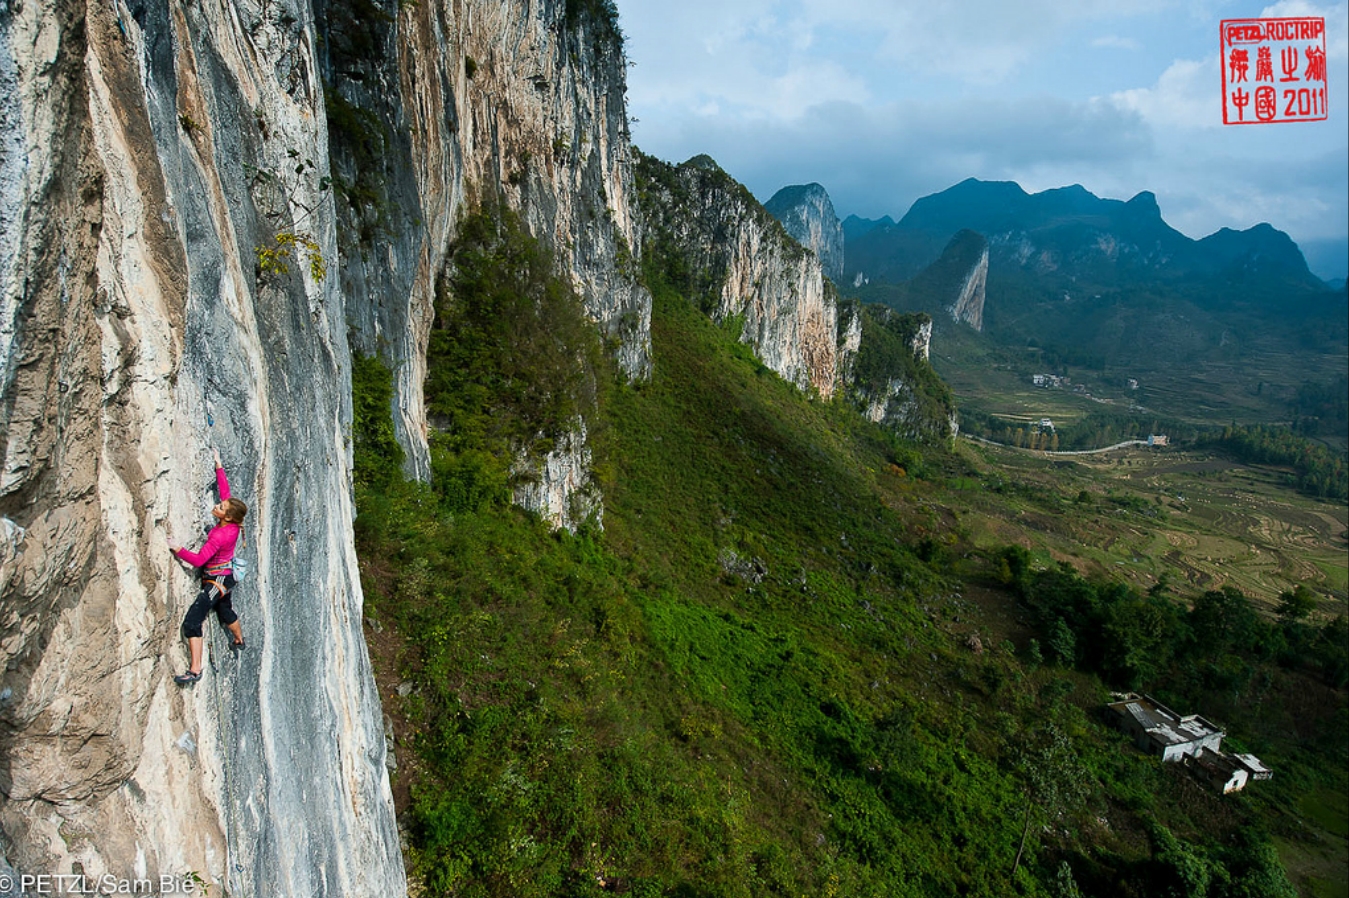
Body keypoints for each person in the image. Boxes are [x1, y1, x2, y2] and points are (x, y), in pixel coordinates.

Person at [168, 448, 247, 685]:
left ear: (227, 517)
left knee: (193, 620)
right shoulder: (232, 524)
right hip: (226, 575)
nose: (217, 507)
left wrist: (177, 548)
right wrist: (218, 465)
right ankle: (239, 639)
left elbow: (199, 560)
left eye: (220, 509)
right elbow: (226, 493)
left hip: (217, 580)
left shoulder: (220, 536)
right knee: (225, 610)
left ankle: (195, 670)